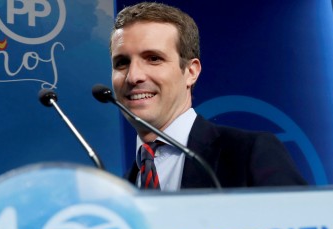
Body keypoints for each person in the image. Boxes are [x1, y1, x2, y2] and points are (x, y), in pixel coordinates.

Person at [110, 2, 307, 190]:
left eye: (153, 59)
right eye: (121, 63)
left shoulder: (249, 154)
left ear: (191, 72)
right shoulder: (122, 191)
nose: (133, 76)